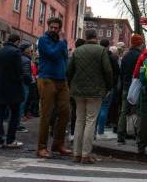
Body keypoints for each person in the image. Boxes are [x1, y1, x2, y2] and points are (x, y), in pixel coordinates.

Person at [67, 29, 113, 164]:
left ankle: (76, 153)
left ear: (86, 37)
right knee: (90, 121)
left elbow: (69, 71)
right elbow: (108, 71)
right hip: (95, 91)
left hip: (78, 91)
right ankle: (86, 154)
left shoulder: (78, 51)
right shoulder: (101, 51)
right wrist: (108, 87)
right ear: (96, 37)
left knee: (79, 120)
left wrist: (71, 86)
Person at [36, 17, 71, 158]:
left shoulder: (61, 42)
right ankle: (41, 147)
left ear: (60, 29)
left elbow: (64, 58)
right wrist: (62, 43)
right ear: (48, 27)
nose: (53, 30)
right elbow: (53, 54)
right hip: (47, 79)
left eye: (56, 28)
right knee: (47, 114)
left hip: (61, 80)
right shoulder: (43, 40)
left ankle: (58, 144)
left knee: (65, 112)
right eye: (52, 27)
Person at [0, 34, 25, 148]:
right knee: (15, 114)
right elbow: (19, 71)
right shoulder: (16, 52)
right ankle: (10, 139)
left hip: (0, 86)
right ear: (17, 42)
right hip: (13, 87)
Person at [116, 33, 144, 144]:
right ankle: (138, 135)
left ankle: (120, 135)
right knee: (138, 112)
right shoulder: (141, 56)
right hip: (137, 88)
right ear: (139, 44)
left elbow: (121, 73)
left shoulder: (126, 56)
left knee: (123, 112)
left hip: (126, 87)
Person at [95, 39, 119, 138]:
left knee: (95, 109)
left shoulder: (96, 55)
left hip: (96, 85)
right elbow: (117, 71)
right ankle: (100, 131)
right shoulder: (112, 57)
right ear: (108, 45)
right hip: (108, 86)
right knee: (104, 108)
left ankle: (93, 131)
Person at [18, 42, 34, 132]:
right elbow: (26, 74)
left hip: (19, 83)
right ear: (26, 49)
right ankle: (18, 124)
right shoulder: (26, 60)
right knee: (21, 104)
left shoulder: (20, 57)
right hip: (24, 84)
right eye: (30, 48)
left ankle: (16, 123)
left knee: (19, 104)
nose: (31, 50)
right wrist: (29, 81)